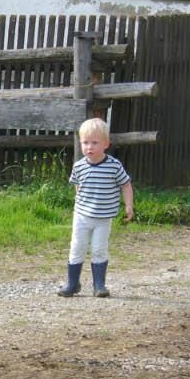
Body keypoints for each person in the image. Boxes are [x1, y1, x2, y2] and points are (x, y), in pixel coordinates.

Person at [57, 117, 134, 298]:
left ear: (106, 144)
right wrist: (80, 199)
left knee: (99, 248)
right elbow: (77, 185)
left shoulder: (114, 166)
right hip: (82, 216)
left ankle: (99, 285)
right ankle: (73, 283)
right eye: (85, 142)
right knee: (77, 247)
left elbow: (126, 184)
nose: (89, 147)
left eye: (94, 143)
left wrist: (129, 205)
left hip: (103, 218)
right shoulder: (79, 166)